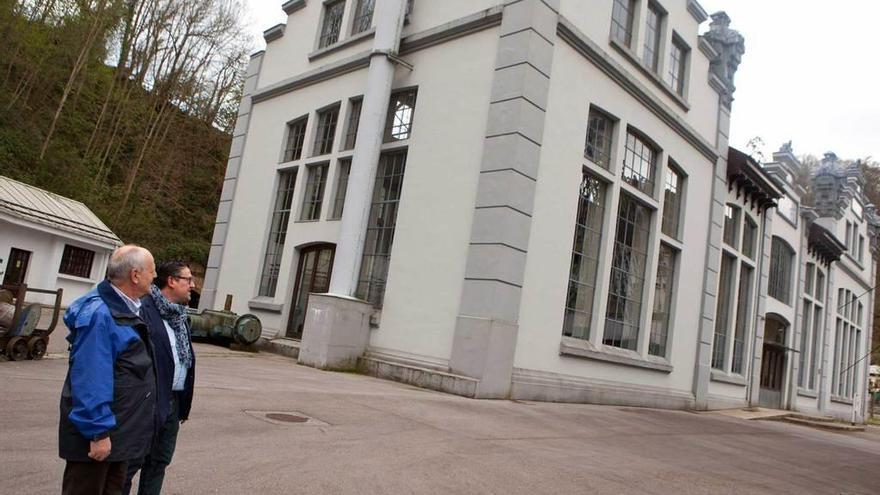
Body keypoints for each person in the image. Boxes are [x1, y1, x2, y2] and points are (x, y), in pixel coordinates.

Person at [58, 245, 158, 495]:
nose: (155, 276)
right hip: (100, 437)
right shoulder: (101, 315)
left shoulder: (126, 309)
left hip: (119, 434)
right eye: (152, 270)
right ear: (135, 275)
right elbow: (91, 378)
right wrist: (98, 432)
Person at [123, 261, 196, 495]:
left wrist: (182, 404)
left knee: (159, 462)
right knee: (131, 463)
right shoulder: (144, 310)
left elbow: (183, 360)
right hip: (148, 400)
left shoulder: (181, 317)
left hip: (173, 402)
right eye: (188, 280)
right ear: (171, 281)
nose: (193, 285)